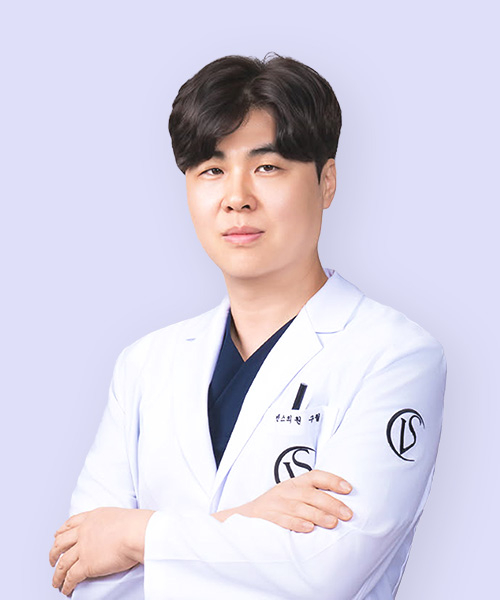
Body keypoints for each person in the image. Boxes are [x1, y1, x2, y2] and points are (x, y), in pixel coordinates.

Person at [49, 53, 447, 599]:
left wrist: (136, 534)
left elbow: (323, 574)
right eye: (212, 170)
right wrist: (248, 521)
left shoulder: (394, 355)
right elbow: (83, 570)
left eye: (268, 167)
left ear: (326, 182)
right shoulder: (144, 364)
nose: (236, 198)